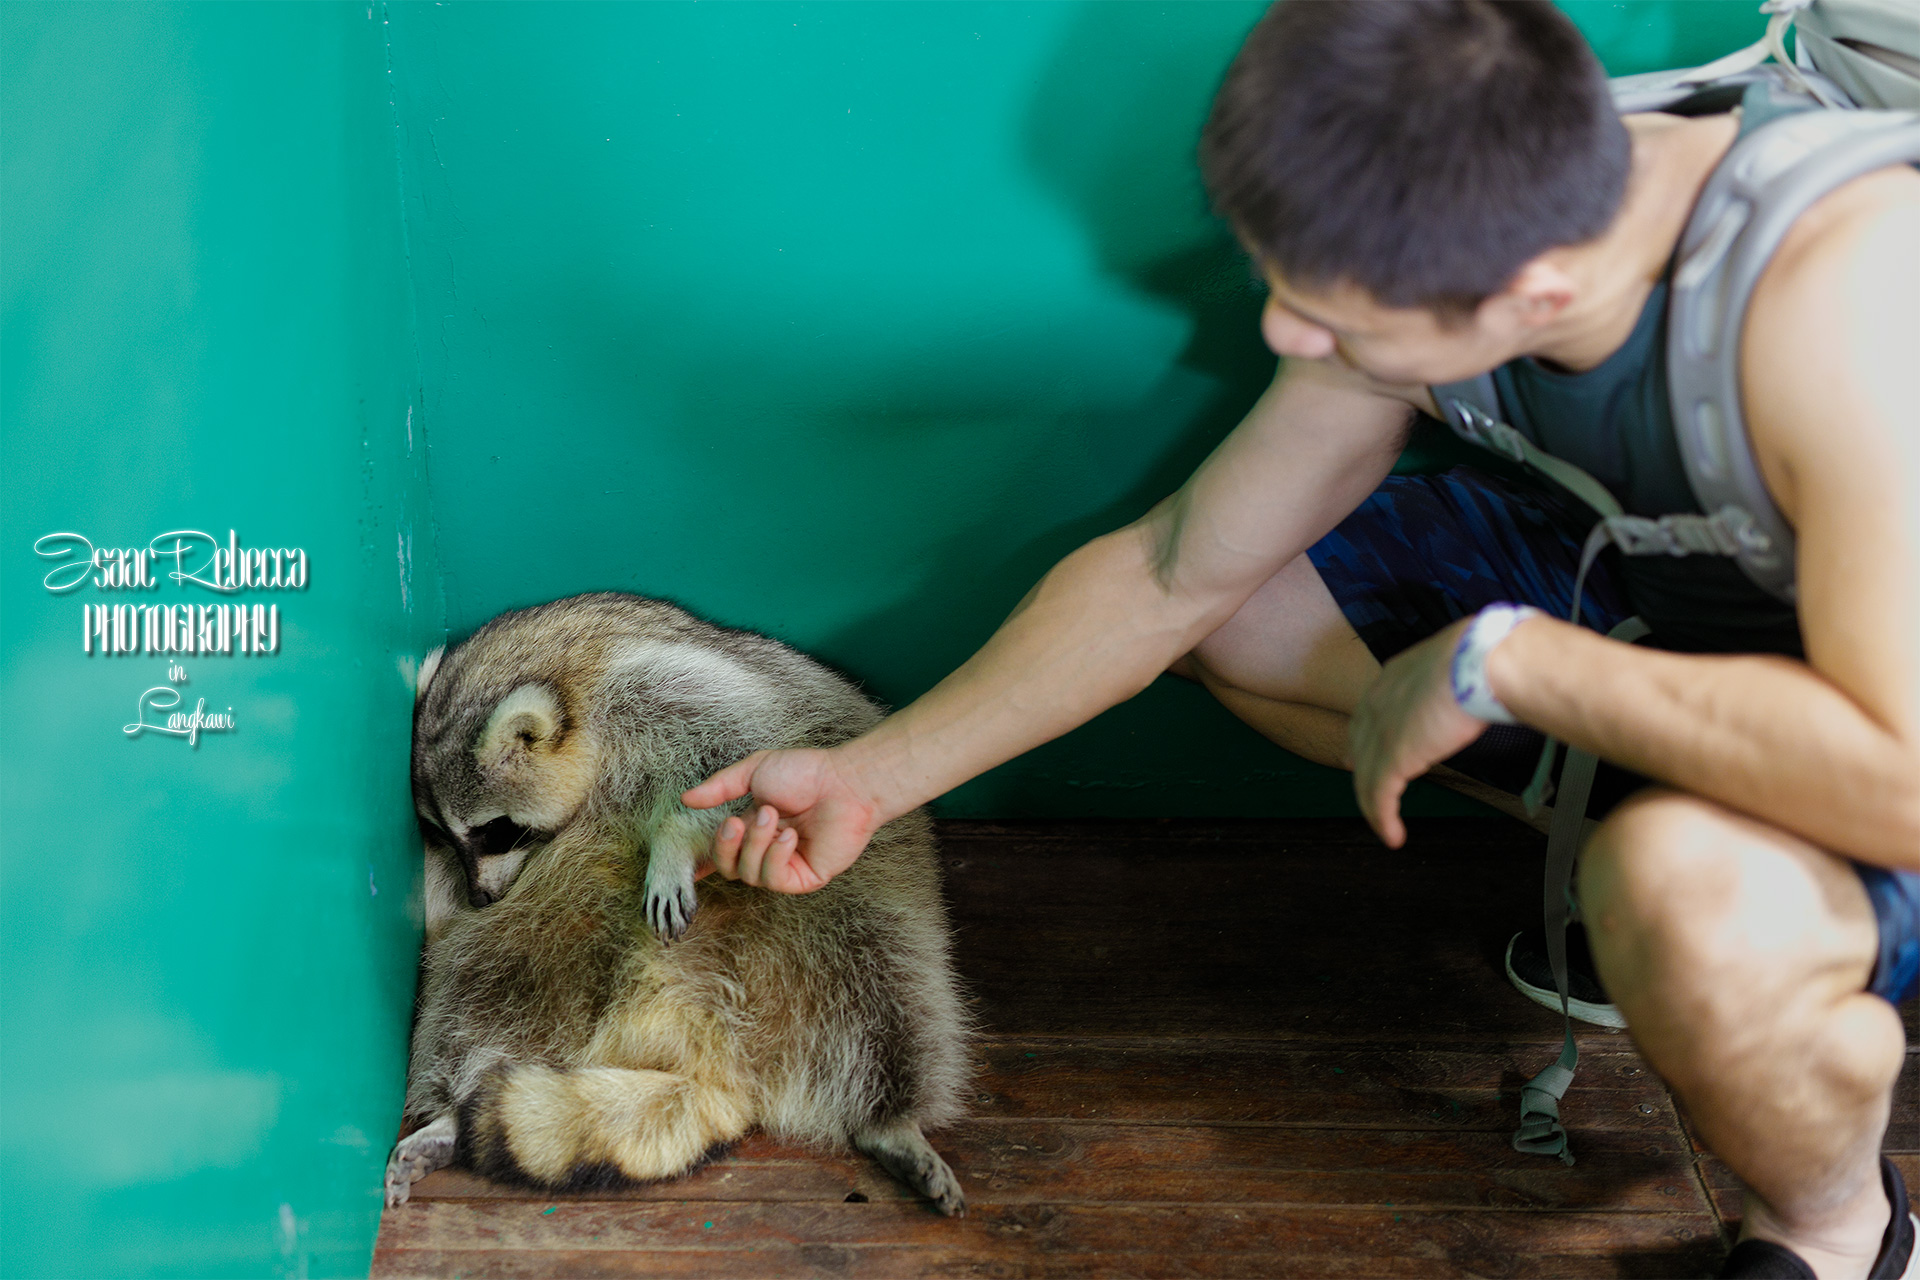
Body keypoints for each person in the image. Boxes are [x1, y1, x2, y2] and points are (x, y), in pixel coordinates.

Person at [682, 3, 1920, 1276]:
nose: (1286, 334)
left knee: (1684, 892)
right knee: (1254, 611)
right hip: (1709, 595)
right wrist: (871, 777)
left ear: (1535, 292)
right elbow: (1176, 571)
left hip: (1894, 718)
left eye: (1335, 321)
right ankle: (1664, 875)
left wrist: (1515, 665)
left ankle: (1836, 1226)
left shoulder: (1847, 300)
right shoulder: (1466, 205)